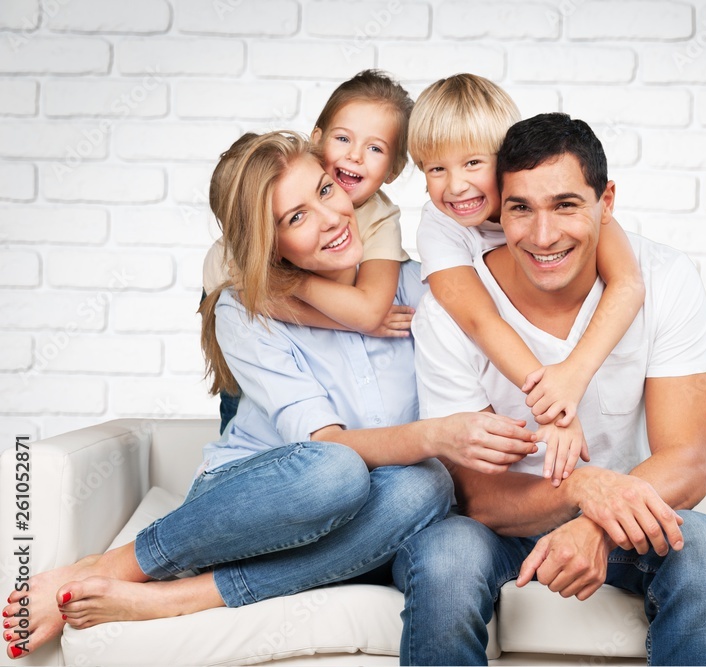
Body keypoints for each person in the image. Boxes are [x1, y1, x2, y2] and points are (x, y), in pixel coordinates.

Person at [2, 131, 538, 661]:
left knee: (426, 486)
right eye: (295, 218)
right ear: (268, 241)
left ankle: (181, 599)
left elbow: (523, 265)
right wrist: (433, 435)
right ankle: (108, 568)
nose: (330, 218)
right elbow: (331, 445)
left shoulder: (422, 287)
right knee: (336, 470)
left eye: (326, 191)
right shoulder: (246, 311)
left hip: (378, 519)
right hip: (258, 505)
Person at [394, 113, 706, 666]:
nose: (543, 235)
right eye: (521, 208)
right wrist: (582, 490)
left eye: (565, 205)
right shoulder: (448, 311)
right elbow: (479, 498)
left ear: (606, 202)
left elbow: (688, 461)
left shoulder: (666, 277)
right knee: (446, 554)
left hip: (625, 518)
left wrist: (596, 527)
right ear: (496, 208)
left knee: (702, 546)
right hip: (506, 526)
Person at [408, 74, 646, 485]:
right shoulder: (439, 227)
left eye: (473, 163)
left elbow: (628, 284)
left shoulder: (562, 198)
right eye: (436, 169)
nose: (456, 185)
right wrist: (553, 406)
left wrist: (572, 376)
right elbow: (480, 319)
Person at [203, 69, 416, 432]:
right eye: (343, 138)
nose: (355, 156)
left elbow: (368, 312)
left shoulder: (379, 217)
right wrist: (294, 287)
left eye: (375, 148)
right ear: (317, 141)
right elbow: (245, 298)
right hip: (257, 350)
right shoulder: (251, 227)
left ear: (394, 170)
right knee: (245, 410)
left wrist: (291, 283)